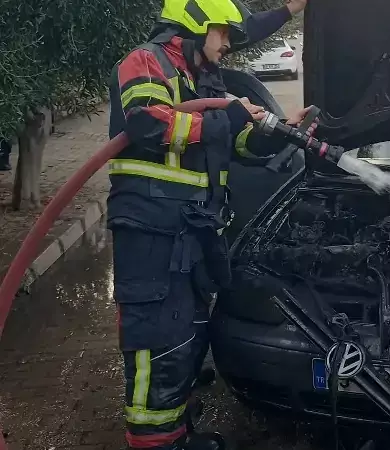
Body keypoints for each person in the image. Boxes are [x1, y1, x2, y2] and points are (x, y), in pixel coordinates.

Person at [107, 0, 309, 448]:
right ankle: (155, 442)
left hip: (191, 231)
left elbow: (234, 142)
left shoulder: (205, 80)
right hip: (152, 233)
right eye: (223, 33)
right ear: (196, 27)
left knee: (188, 340)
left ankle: (176, 428)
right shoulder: (145, 62)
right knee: (159, 343)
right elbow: (150, 124)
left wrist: (272, 132)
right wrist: (229, 115)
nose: (227, 44)